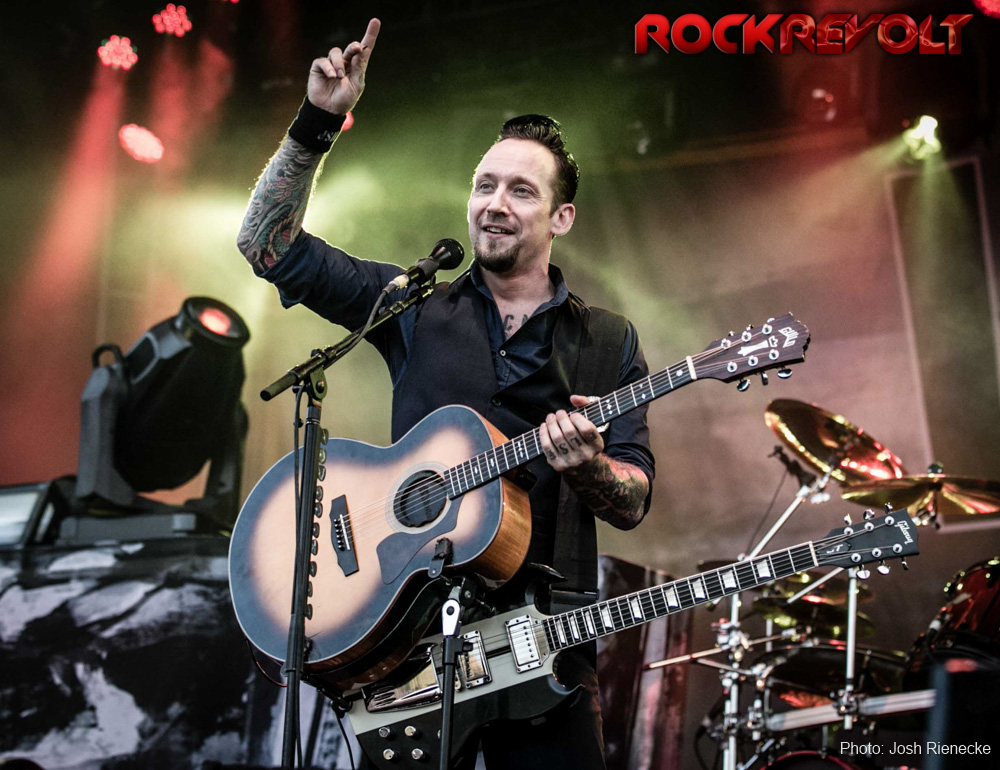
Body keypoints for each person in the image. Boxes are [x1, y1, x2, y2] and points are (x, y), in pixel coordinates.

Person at [237, 18, 655, 769]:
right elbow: (265, 245)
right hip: (409, 651)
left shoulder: (607, 341)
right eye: (484, 185)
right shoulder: (411, 304)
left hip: (545, 648)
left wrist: (590, 467)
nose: (494, 203)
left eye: (520, 191)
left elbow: (632, 499)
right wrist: (317, 123)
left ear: (560, 217)